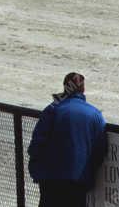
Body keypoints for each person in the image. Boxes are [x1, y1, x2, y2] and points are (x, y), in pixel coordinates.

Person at [28, 72, 107, 206]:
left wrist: (36, 169)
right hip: (78, 181)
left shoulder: (52, 109)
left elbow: (37, 143)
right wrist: (88, 172)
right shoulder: (95, 114)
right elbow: (100, 150)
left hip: (50, 180)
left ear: (65, 87)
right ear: (83, 89)